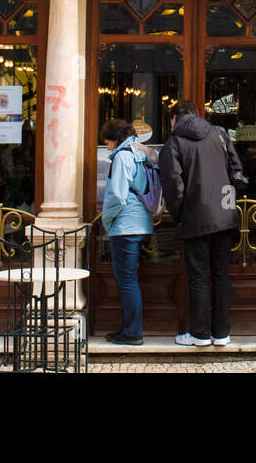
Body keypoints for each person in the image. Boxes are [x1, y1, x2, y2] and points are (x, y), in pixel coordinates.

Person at [159, 100, 244, 347]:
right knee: (221, 274)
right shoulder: (219, 135)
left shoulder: (174, 142)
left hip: (195, 217)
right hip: (225, 216)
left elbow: (173, 185)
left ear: (175, 118)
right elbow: (237, 172)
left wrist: (179, 215)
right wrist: (227, 204)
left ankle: (199, 334)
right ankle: (221, 333)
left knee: (198, 276)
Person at [99, 118, 155, 345]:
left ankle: (132, 332)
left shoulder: (122, 156)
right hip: (140, 222)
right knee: (128, 279)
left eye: (107, 143)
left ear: (114, 138)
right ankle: (128, 329)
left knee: (127, 280)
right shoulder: (138, 152)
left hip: (126, 225)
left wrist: (106, 219)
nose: (107, 147)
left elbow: (117, 195)